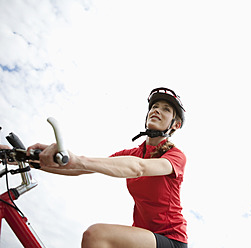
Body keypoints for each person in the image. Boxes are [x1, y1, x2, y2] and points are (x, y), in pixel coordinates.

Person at [25, 87, 188, 248]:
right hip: (142, 237)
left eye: (166, 109)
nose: (157, 111)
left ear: (176, 125)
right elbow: (83, 168)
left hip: (171, 240)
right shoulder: (132, 153)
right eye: (154, 107)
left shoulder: (175, 156)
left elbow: (139, 168)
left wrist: (77, 160)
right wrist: (32, 159)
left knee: (96, 235)